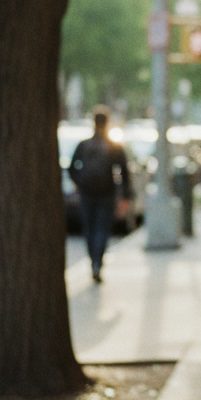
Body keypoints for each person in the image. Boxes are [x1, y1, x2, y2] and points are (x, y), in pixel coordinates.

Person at [69, 107, 132, 283]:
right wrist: (126, 196)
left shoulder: (84, 145)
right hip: (106, 193)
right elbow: (124, 172)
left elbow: (72, 168)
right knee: (102, 229)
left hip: (87, 193)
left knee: (89, 229)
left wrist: (80, 183)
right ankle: (98, 263)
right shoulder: (114, 146)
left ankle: (93, 262)